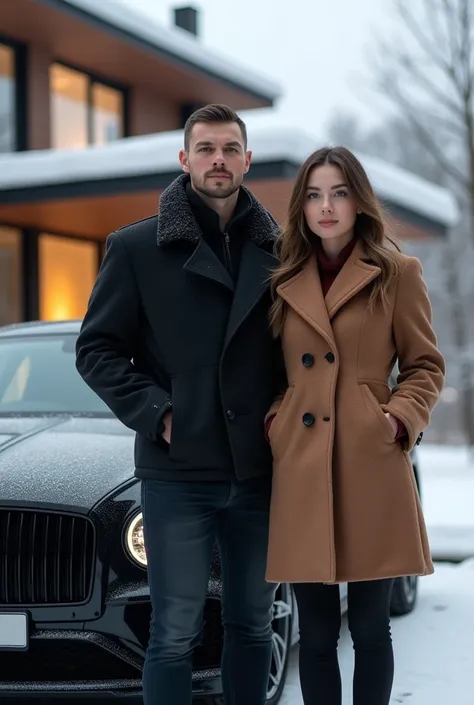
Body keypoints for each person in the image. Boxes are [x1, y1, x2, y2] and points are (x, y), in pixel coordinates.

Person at [75, 104, 284, 705]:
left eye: (230, 149)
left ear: (246, 160)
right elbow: (97, 350)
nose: (218, 160)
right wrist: (159, 412)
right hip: (177, 472)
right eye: (206, 148)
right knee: (173, 633)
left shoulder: (281, 251)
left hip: (258, 469)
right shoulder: (136, 248)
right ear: (184, 158)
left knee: (252, 624)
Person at [264, 146, 445, 705]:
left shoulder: (397, 273)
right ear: (301, 207)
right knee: (316, 634)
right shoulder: (282, 278)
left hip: (370, 465)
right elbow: (267, 370)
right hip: (301, 467)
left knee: (369, 629)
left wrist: (396, 419)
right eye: (315, 194)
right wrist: (278, 421)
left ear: (358, 201)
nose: (327, 206)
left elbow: (425, 366)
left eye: (339, 193)